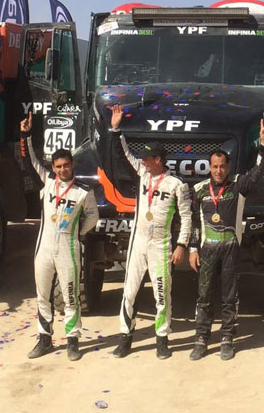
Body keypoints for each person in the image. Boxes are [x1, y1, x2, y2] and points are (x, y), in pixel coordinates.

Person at [109, 103, 192, 359]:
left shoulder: (176, 184)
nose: (143, 161)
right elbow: (124, 154)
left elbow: (186, 217)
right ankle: (125, 338)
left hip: (161, 245)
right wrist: (116, 129)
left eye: (147, 158)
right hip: (138, 243)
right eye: (143, 158)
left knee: (161, 294)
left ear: (158, 160)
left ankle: (162, 339)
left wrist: (181, 245)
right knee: (129, 291)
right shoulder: (142, 176)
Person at [189, 120, 264, 360]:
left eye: (222, 166)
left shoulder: (239, 185)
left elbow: (258, 171)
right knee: (204, 296)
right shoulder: (199, 190)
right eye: (214, 166)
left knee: (229, 296)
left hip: (230, 249)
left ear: (227, 167)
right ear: (209, 167)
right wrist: (193, 248)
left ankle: (227, 339)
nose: (218, 170)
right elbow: (194, 222)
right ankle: (201, 339)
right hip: (207, 249)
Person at [19, 113, 99, 361]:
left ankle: (72, 340)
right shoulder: (47, 182)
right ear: (53, 168)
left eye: (66, 165)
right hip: (43, 249)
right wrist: (25, 135)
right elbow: (29, 161)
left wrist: (76, 233)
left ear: (72, 165)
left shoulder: (84, 192)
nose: (62, 169)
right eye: (58, 166)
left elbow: (92, 218)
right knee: (42, 296)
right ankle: (44, 339)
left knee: (70, 297)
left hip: (68, 249)